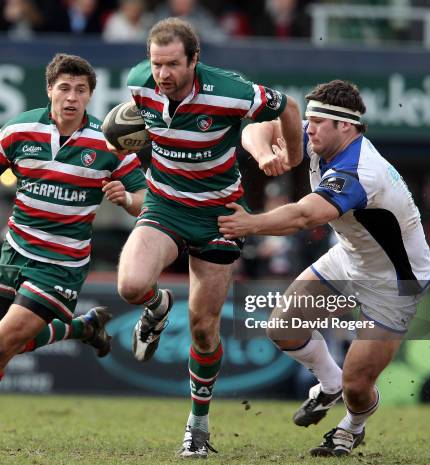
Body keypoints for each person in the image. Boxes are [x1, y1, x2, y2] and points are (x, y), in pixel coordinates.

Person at [0, 53, 147, 445]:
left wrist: (126, 200)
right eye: (65, 88)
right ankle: (82, 327)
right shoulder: (19, 129)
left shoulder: (109, 143)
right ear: (50, 89)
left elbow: (145, 199)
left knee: (2, 345)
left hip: (61, 266)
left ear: (90, 96)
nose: (72, 97)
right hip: (15, 253)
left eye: (81, 90)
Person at [114, 17, 303, 457]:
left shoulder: (230, 91)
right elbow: (135, 128)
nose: (163, 74)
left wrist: (291, 158)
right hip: (164, 204)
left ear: (195, 60)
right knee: (131, 285)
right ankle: (157, 308)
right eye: (157, 64)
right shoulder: (137, 83)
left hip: (220, 215)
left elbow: (287, 108)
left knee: (203, 328)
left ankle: (197, 425)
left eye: (173, 65)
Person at [218, 79, 430, 457]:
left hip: (395, 280)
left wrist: (249, 223)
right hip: (351, 258)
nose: (308, 127)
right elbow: (256, 128)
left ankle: (352, 426)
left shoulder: (360, 171)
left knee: (358, 385)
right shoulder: (321, 138)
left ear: (345, 126)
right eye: (309, 119)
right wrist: (264, 152)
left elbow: (304, 216)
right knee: (281, 327)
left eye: (317, 121)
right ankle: (328, 381)